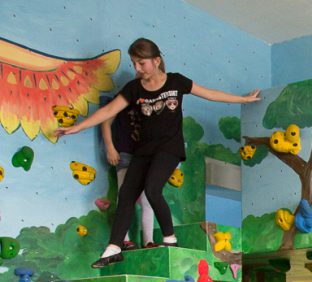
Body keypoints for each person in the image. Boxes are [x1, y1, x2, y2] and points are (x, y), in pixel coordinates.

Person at [56, 37, 260, 268]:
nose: (137, 68)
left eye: (141, 63)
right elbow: (109, 111)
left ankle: (170, 239)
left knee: (153, 189)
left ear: (156, 60)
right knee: (125, 195)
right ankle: (114, 247)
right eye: (134, 63)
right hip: (144, 150)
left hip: (169, 148)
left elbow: (210, 94)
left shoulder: (176, 81)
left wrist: (243, 99)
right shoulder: (134, 89)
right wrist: (77, 127)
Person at [100, 92, 154, 249]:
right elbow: (106, 121)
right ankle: (123, 238)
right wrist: (110, 147)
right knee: (125, 197)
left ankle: (148, 241)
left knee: (147, 199)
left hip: (144, 156)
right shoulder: (126, 95)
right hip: (125, 154)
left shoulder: (151, 102)